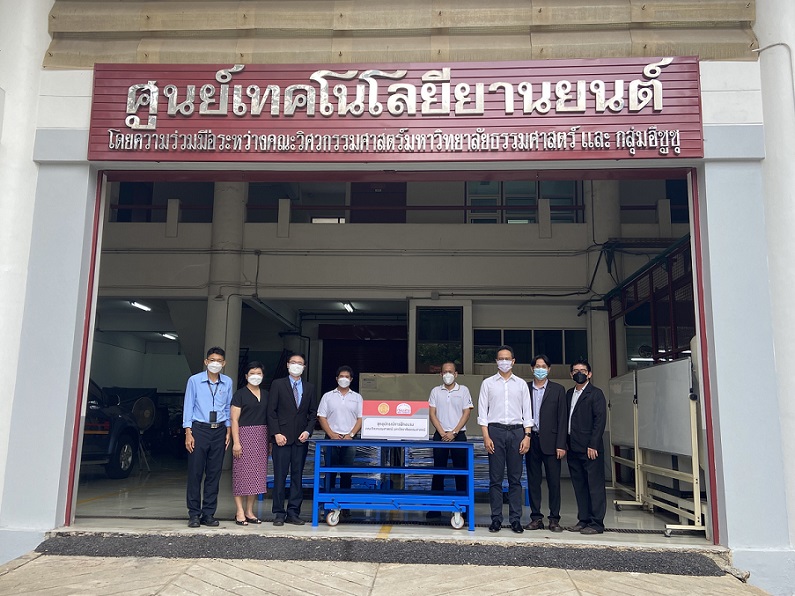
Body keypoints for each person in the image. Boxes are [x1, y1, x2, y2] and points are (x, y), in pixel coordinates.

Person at [477, 345, 532, 533]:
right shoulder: (488, 384)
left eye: (507, 358)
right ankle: (496, 519)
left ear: (513, 361)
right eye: (501, 358)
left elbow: (528, 412)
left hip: (517, 432)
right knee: (495, 479)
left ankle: (515, 519)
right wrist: (486, 436)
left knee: (515, 479)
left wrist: (527, 436)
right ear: (496, 361)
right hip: (495, 432)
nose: (504, 362)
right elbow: (482, 412)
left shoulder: (521, 384)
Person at [182, 347, 233, 528]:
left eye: (219, 361)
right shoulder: (194, 380)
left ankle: (209, 514)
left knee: (214, 474)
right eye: (212, 360)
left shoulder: (227, 382)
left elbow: (227, 407)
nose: (215, 363)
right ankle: (194, 514)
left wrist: (228, 430)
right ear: (205, 362)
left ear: (224, 363)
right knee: (195, 473)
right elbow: (188, 405)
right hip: (199, 429)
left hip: (219, 430)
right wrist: (188, 432)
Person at [266, 352, 318, 526]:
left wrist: (308, 431)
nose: (296, 365)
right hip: (281, 439)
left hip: (300, 440)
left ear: (304, 367)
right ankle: (279, 513)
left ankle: (293, 512)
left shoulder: (309, 387)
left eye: (300, 363)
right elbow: (271, 412)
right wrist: (276, 433)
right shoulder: (278, 384)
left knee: (297, 477)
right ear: (288, 365)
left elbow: (312, 413)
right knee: (280, 477)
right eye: (293, 362)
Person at [523, 354, 568, 532]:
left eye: (543, 366)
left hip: (552, 442)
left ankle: (554, 519)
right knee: (533, 481)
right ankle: (536, 518)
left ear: (549, 369)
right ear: (532, 368)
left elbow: (562, 419)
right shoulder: (525, 388)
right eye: (537, 366)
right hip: (531, 439)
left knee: (554, 482)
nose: (540, 369)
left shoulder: (558, 390)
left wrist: (561, 444)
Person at [566, 358, 607, 535]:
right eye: (575, 371)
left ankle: (596, 523)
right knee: (580, 486)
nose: (579, 373)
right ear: (571, 374)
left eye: (582, 371)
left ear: (589, 374)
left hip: (590, 448)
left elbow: (600, 421)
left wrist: (593, 444)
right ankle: (583, 520)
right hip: (573, 447)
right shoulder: (569, 394)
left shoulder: (595, 394)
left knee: (594, 486)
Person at [427, 361, 473, 520]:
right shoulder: (435, 391)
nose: (447, 374)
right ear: (441, 374)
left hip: (458, 435)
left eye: (450, 372)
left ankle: (464, 509)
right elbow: (432, 414)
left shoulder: (464, 390)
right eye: (445, 372)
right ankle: (435, 509)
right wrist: (442, 433)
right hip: (440, 435)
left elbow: (467, 413)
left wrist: (454, 432)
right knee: (438, 472)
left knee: (461, 472)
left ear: (456, 374)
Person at [317, 365, 363, 518]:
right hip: (330, 440)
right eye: (341, 376)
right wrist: (331, 434)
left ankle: (345, 506)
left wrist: (351, 434)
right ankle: (328, 505)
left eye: (347, 377)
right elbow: (321, 416)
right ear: (336, 378)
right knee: (330, 473)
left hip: (350, 440)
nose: (344, 379)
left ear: (351, 379)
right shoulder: (327, 396)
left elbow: (360, 418)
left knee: (346, 474)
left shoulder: (357, 398)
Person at [230, 361, 269, 526]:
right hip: (244, 436)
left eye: (259, 373)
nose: (255, 376)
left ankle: (249, 511)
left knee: (256, 476)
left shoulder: (266, 394)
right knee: (241, 474)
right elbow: (234, 419)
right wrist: (236, 442)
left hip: (262, 436)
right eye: (252, 373)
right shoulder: (240, 394)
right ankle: (239, 511)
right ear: (246, 376)